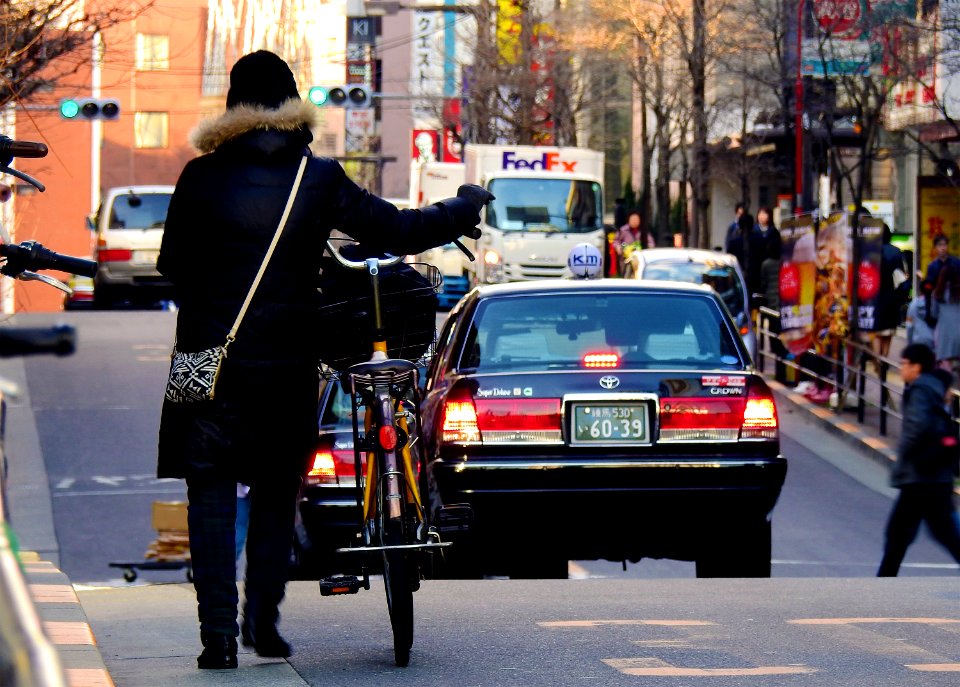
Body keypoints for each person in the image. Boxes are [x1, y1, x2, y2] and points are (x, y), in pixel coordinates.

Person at [156, 50, 492, 670]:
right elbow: (396, 229)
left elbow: (171, 266)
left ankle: (217, 637)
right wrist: (462, 207)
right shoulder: (317, 179)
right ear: (291, 108)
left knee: (209, 493)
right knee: (277, 492)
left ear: (232, 108)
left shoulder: (199, 178)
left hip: (210, 365)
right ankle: (263, 620)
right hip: (286, 365)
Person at [877, 344, 960, 576]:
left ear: (916, 366)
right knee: (936, 532)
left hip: (921, 474)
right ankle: (883, 580)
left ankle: (882, 582)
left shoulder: (920, 390)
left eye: (904, 364)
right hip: (932, 474)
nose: (901, 368)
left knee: (901, 532)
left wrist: (902, 457)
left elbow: (917, 427)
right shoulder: (934, 388)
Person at [872, 224, 908, 360]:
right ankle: (885, 358)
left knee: (875, 332)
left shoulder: (869, 251)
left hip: (873, 300)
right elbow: (901, 279)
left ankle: (877, 359)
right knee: (888, 333)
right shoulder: (896, 252)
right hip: (891, 300)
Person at [931, 261, 960, 376]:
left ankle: (950, 391)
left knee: (946, 368)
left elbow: (934, 314)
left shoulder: (938, 294)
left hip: (945, 335)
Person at [746, 207, 781, 297]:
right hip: (755, 267)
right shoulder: (753, 231)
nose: (761, 216)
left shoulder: (773, 231)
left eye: (764, 214)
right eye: (760, 214)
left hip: (769, 266)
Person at [615, 209, 654, 276]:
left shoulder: (643, 231)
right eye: (633, 219)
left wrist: (648, 248)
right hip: (626, 259)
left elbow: (651, 243)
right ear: (629, 220)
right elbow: (616, 241)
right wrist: (618, 247)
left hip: (640, 258)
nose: (635, 221)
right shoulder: (623, 230)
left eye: (636, 220)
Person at [905, 280, 936, 349]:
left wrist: (910, 343)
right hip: (934, 342)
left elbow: (909, 326)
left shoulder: (913, 305)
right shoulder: (937, 305)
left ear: (920, 289)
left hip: (917, 341)